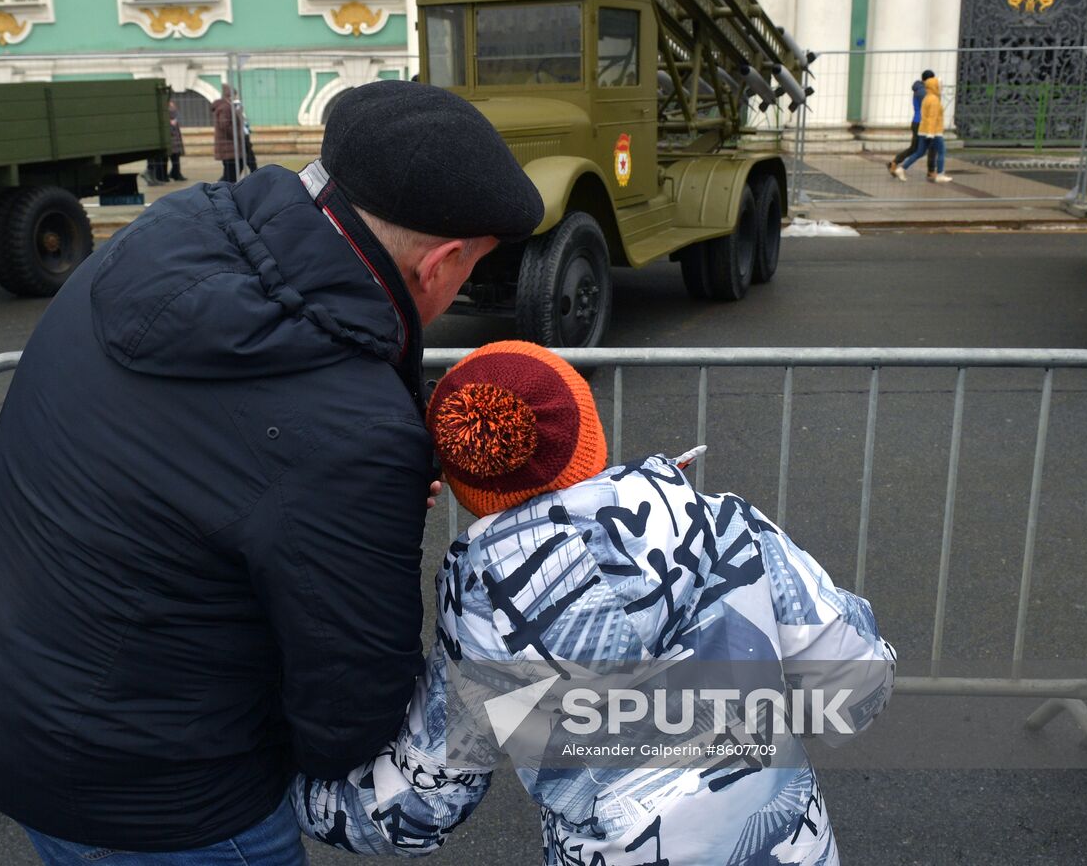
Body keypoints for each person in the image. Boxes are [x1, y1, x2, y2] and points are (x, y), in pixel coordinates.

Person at [0, 81, 543, 864]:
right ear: (444, 261)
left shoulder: (178, 229)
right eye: (472, 268)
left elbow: (196, 472)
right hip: (151, 789)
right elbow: (351, 706)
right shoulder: (349, 431)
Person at [293, 341, 897, 865]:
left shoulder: (481, 610)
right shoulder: (726, 527)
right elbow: (856, 687)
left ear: (464, 483)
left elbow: (423, 803)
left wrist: (284, 793)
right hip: (789, 845)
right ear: (589, 431)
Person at [893, 73, 953, 184]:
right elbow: (932, 117)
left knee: (919, 152)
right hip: (934, 131)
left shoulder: (927, 98)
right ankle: (940, 174)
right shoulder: (934, 99)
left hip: (922, 128)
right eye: (939, 85)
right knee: (941, 152)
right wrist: (931, 133)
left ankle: (901, 169)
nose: (940, 87)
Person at [887, 71, 937, 180]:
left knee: (914, 148)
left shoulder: (920, 89)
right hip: (922, 123)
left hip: (917, 122)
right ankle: (931, 172)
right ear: (928, 80)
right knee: (932, 146)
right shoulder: (923, 91)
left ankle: (894, 163)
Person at [212, 83, 241, 183]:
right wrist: (236, 136)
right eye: (235, 95)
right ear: (230, 95)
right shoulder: (225, 107)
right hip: (228, 145)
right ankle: (219, 190)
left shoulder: (227, 106)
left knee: (230, 173)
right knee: (230, 175)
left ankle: (220, 190)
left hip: (228, 146)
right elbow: (224, 125)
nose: (236, 97)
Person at [168, 99, 187, 182]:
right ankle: (176, 174)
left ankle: (174, 173)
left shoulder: (173, 119)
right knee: (175, 158)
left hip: (175, 139)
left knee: (176, 157)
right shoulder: (170, 118)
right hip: (173, 140)